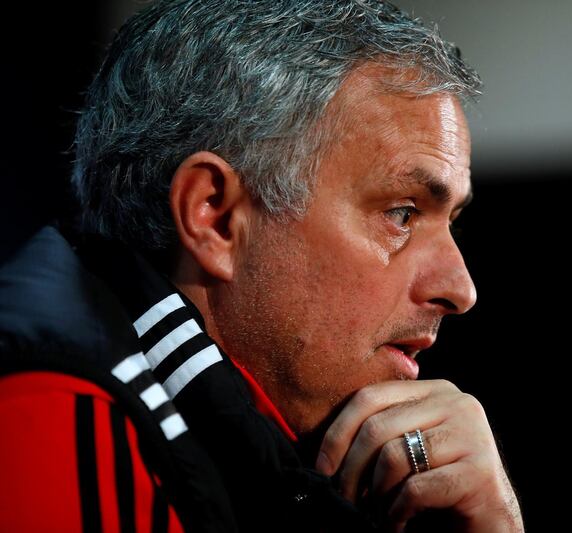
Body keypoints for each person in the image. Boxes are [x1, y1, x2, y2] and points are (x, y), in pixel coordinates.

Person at [0, 0, 524, 531]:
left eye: (450, 221)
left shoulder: (279, 439)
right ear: (217, 218)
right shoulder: (46, 422)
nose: (461, 289)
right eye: (402, 214)